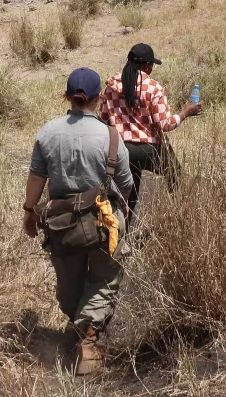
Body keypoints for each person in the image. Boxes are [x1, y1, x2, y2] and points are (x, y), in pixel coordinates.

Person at [23, 67, 133, 375]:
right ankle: (88, 335)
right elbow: (125, 185)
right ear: (98, 99)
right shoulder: (110, 136)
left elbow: (36, 178)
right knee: (106, 277)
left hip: (61, 226)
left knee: (68, 282)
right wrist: (121, 216)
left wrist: (29, 212)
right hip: (102, 223)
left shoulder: (47, 132)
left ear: (67, 97)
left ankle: (77, 325)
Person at [99, 43, 201, 225]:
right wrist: (185, 112)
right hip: (149, 148)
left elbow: (103, 121)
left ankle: (121, 238)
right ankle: (181, 220)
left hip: (120, 149)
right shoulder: (153, 88)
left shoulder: (110, 87)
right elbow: (165, 124)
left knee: (128, 194)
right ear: (147, 66)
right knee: (176, 178)